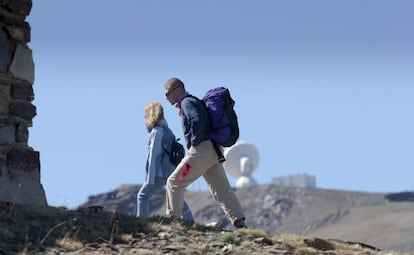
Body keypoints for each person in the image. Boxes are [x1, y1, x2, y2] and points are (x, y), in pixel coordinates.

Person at [163, 77, 247, 229]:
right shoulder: (193, 101)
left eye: (167, 93)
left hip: (201, 152)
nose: (167, 98)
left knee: (174, 182)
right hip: (213, 153)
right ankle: (239, 222)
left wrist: (195, 144)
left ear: (178, 89)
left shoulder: (187, 102)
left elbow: (197, 121)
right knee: (221, 189)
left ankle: (173, 220)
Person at [136, 101, 193, 220]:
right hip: (172, 170)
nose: (145, 118)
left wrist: (150, 178)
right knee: (175, 195)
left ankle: (141, 223)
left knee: (142, 196)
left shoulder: (157, 131)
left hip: (160, 172)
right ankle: (189, 220)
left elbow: (154, 155)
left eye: (146, 115)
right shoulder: (167, 130)